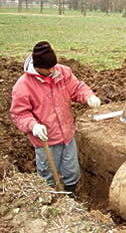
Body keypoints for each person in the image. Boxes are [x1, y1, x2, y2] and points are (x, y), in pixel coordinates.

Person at [10, 41, 101, 192]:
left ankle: (70, 196)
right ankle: (51, 202)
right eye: (48, 68)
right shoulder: (23, 86)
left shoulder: (62, 72)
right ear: (37, 67)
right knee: (48, 176)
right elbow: (20, 114)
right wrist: (33, 126)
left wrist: (88, 96)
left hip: (67, 135)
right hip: (45, 140)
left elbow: (77, 88)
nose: (53, 70)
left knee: (71, 171)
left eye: (54, 66)